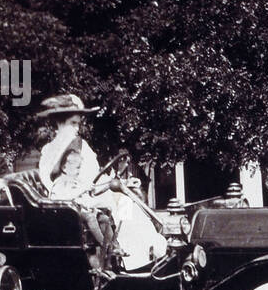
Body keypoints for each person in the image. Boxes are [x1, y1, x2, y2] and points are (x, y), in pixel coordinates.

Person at [33, 94, 167, 272]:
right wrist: (82, 190)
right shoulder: (49, 151)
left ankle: (147, 256)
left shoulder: (82, 146)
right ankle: (128, 260)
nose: (77, 128)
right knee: (120, 212)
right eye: (73, 123)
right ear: (59, 122)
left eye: (79, 123)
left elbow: (96, 177)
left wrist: (122, 183)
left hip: (92, 194)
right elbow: (49, 185)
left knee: (130, 204)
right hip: (70, 201)